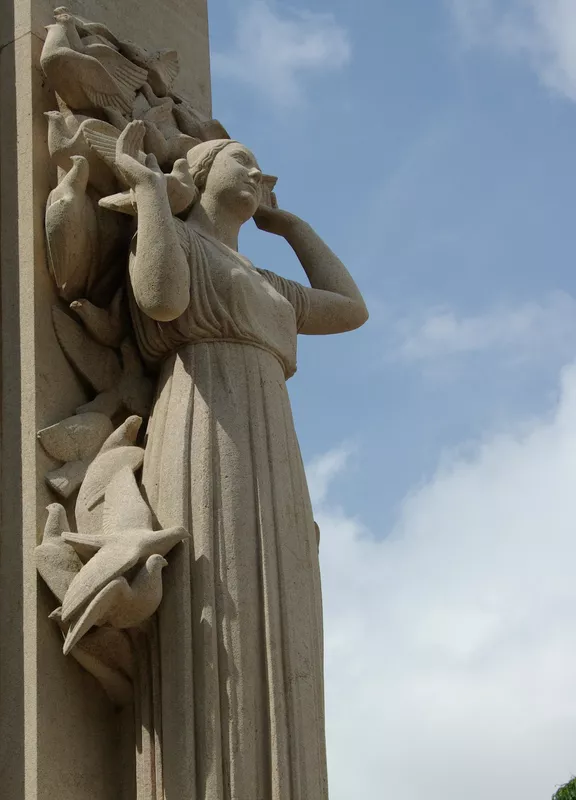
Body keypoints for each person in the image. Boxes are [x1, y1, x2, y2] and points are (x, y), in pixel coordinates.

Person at [114, 122, 368, 800]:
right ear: (200, 174)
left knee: (280, 601)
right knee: (216, 595)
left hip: (272, 437)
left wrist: (292, 227)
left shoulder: (265, 280)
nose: (257, 175)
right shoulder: (178, 238)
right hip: (204, 414)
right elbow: (162, 299)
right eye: (243, 162)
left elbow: (350, 310)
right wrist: (148, 194)